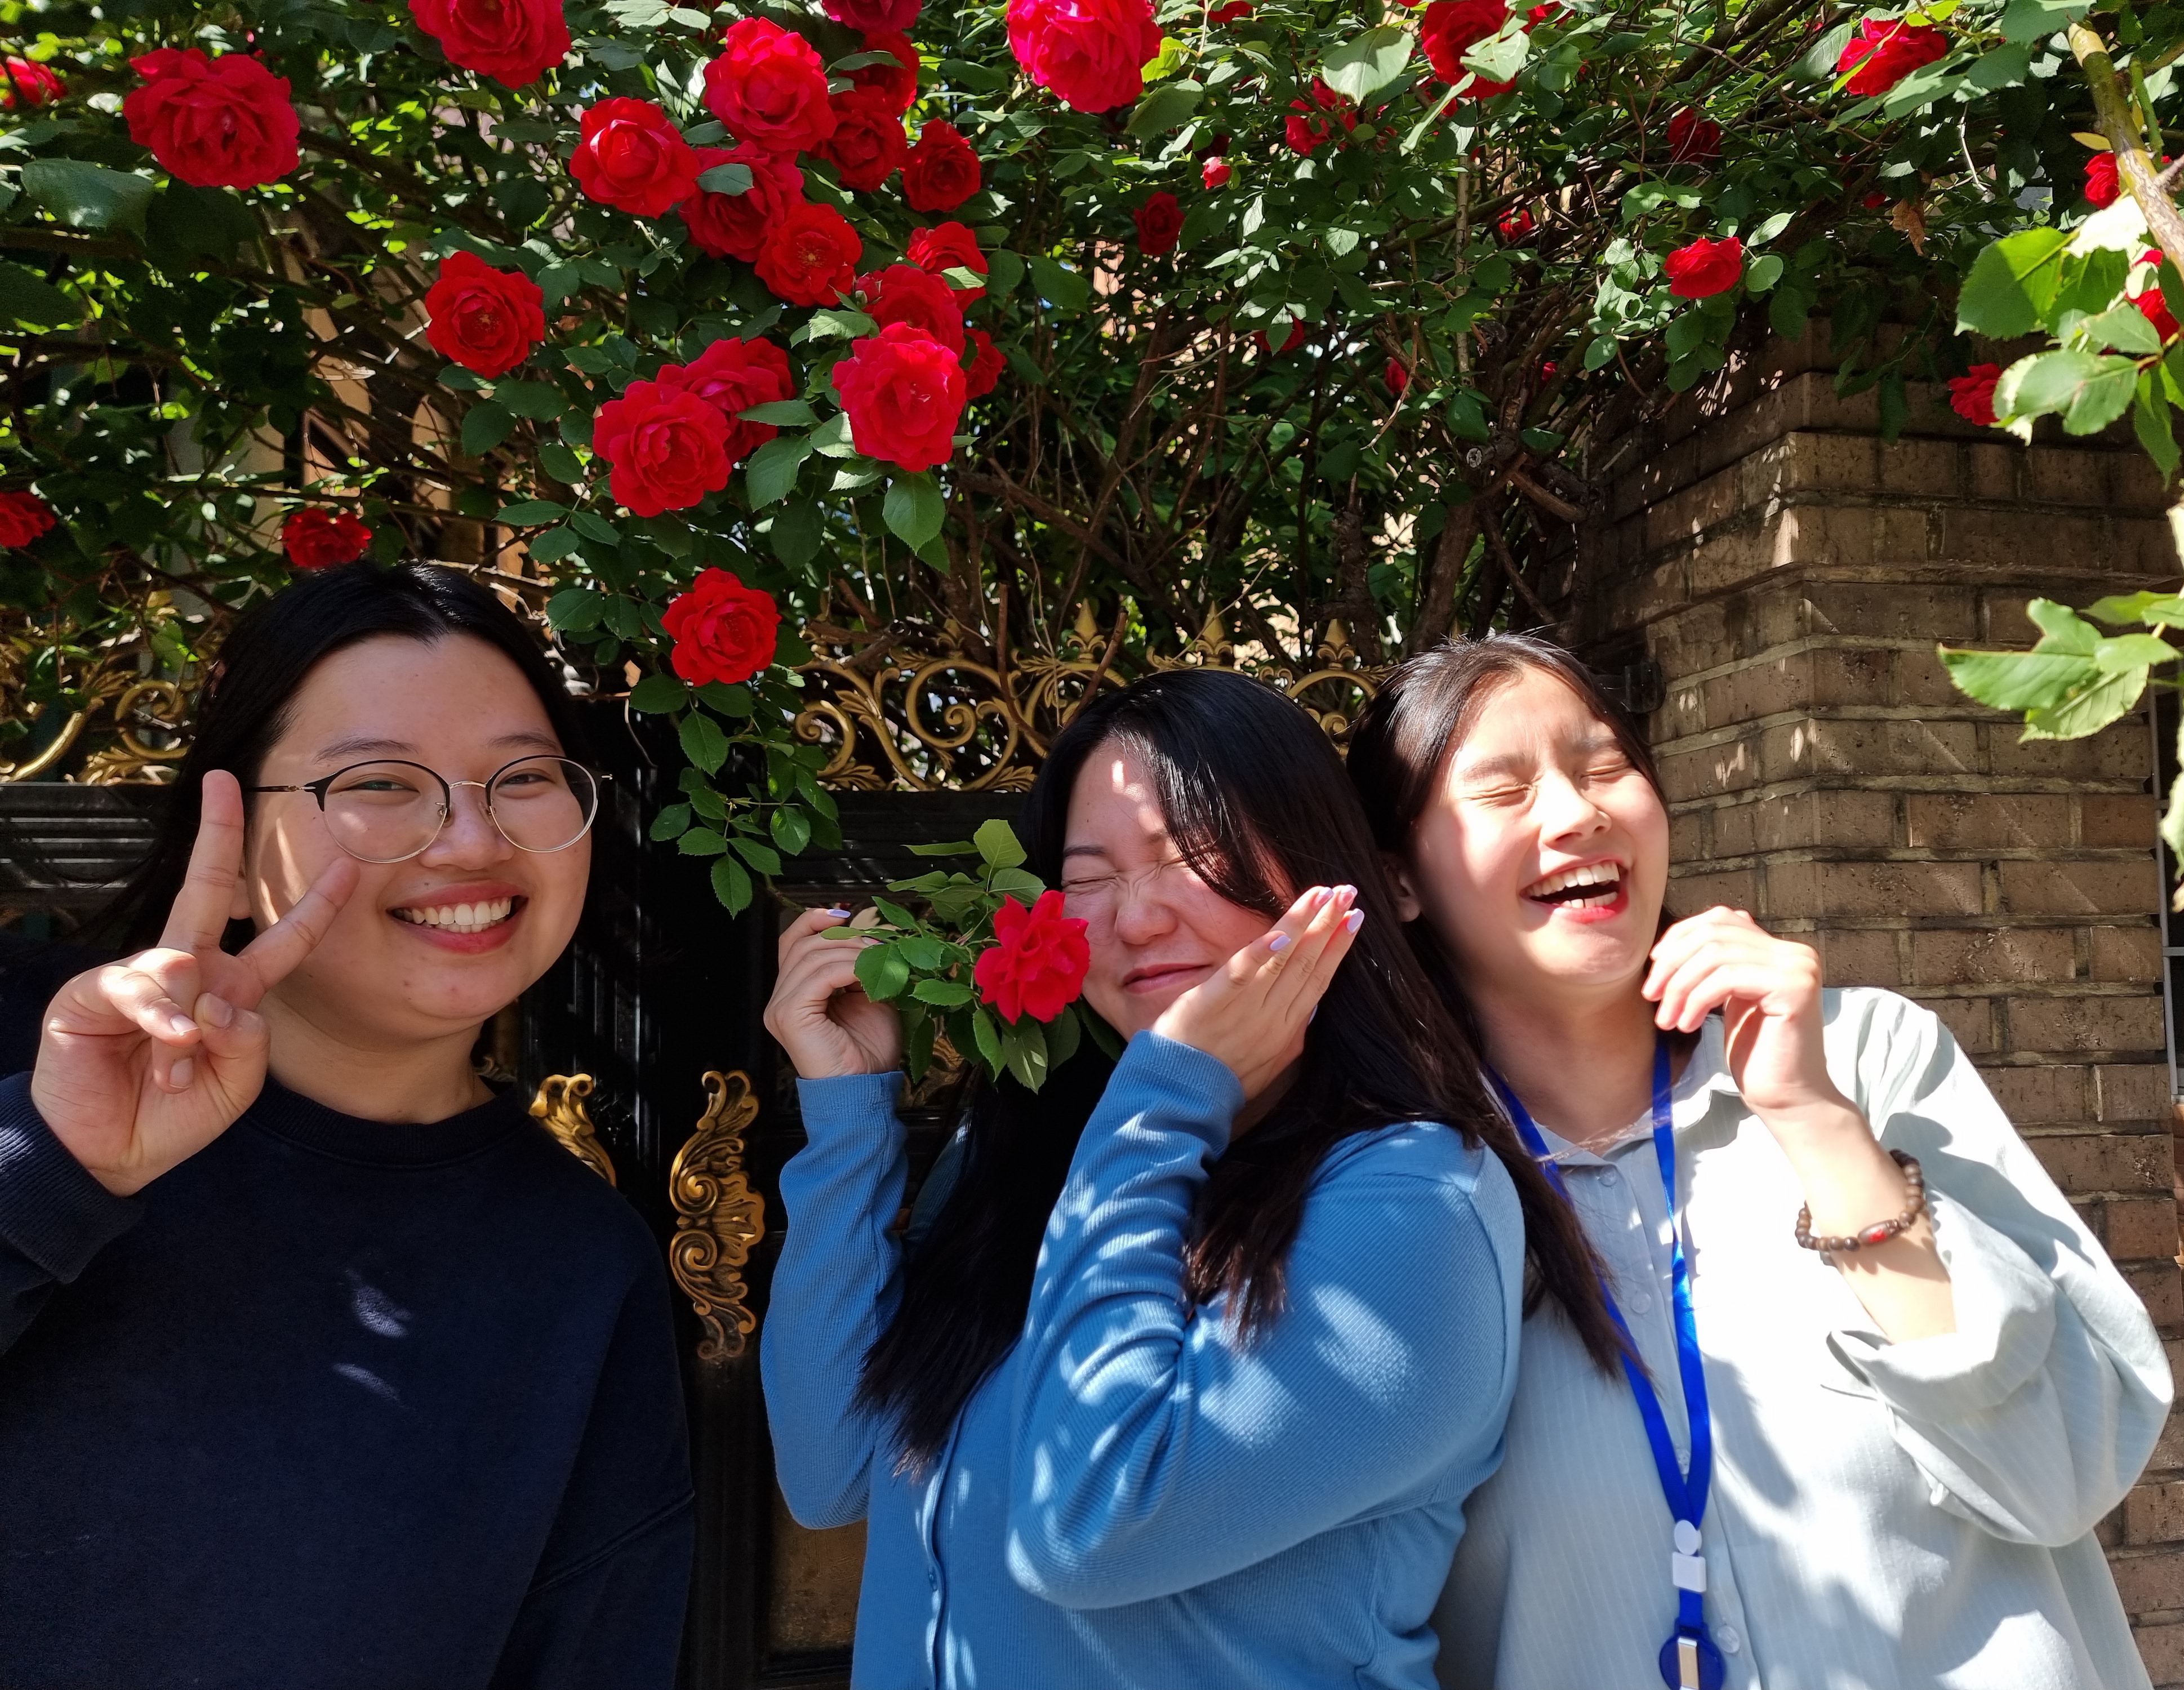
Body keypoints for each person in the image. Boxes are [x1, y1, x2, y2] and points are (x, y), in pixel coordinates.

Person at [759, 668, 1618, 1690]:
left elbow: (1088, 1526)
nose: (1135, 919)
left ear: (1323, 872)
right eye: (1088, 877)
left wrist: (1165, 1098)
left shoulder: (1417, 1205)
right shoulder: (1048, 1159)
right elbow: (830, 1470)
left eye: (1190, 856)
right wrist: (850, 1114)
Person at [1348, 634, 2173, 1690]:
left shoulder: (1868, 1058)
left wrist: (1814, 1117)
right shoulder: (1394, 1194)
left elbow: (2064, 1475)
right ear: (1399, 879)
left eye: (1607, 767)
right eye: (1504, 792)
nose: (1578, 813)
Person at [0, 562, 693, 1689]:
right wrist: (49, 1166)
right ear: (228, 837)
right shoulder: (40, 1065)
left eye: (522, 777)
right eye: (378, 782)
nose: (469, 841)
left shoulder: (578, 1260)